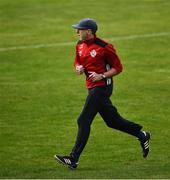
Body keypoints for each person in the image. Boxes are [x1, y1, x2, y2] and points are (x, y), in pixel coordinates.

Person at [55, 18, 150, 169]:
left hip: (102, 87)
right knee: (112, 121)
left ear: (89, 32)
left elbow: (118, 68)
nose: (76, 32)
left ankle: (73, 159)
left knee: (83, 120)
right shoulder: (79, 45)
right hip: (91, 87)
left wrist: (103, 75)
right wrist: (78, 67)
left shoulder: (105, 47)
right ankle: (141, 135)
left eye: (79, 29)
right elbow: (77, 61)